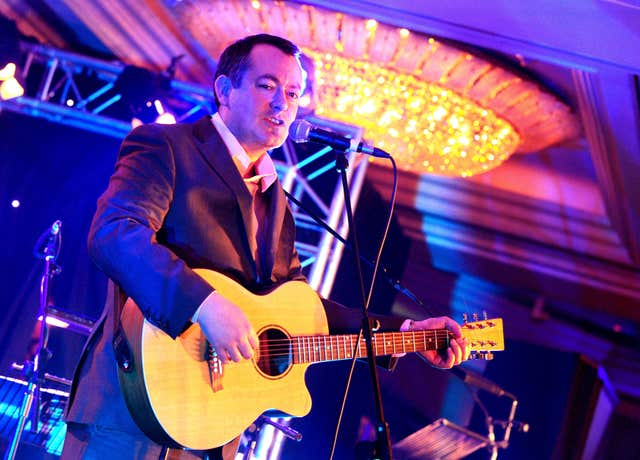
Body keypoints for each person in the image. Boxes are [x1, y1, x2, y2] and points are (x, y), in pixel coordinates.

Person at [61, 34, 470, 460]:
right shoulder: (168, 146)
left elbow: (299, 310)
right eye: (268, 85)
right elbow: (114, 232)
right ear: (224, 89)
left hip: (212, 427)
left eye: (293, 93)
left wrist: (402, 336)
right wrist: (204, 304)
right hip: (131, 407)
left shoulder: (277, 200)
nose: (283, 104)